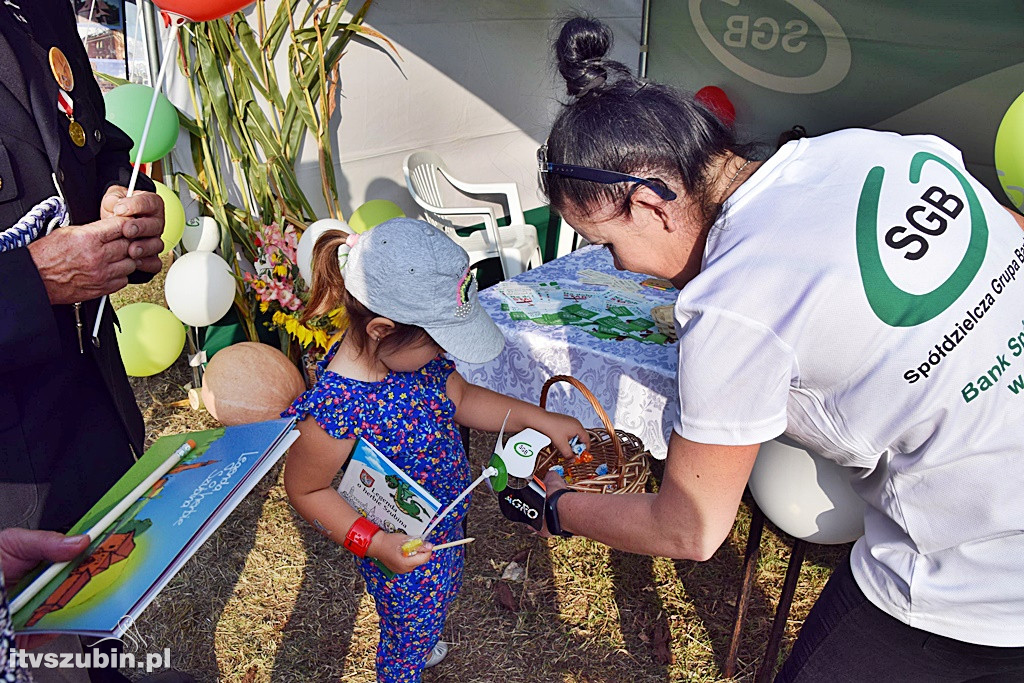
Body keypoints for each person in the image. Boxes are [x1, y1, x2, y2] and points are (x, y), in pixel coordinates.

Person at [533, 16, 1024, 682]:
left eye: (608, 245)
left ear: (650, 203)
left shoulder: (730, 302)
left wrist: (558, 506)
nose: (623, 269)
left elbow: (691, 528)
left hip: (973, 575)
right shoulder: (869, 150)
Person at [282, 218, 586, 682]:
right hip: (397, 546)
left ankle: (421, 634)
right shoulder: (334, 410)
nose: (445, 352)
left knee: (438, 596)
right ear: (383, 329)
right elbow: (305, 490)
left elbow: (462, 398)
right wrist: (377, 544)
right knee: (407, 636)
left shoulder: (410, 362)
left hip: (443, 524)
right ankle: (407, 657)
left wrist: (537, 417)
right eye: (437, 340)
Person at [0, 1, 164, 533]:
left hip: (95, 417)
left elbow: (92, 142)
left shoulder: (39, 7)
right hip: (13, 488)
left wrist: (123, 201)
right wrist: (32, 283)